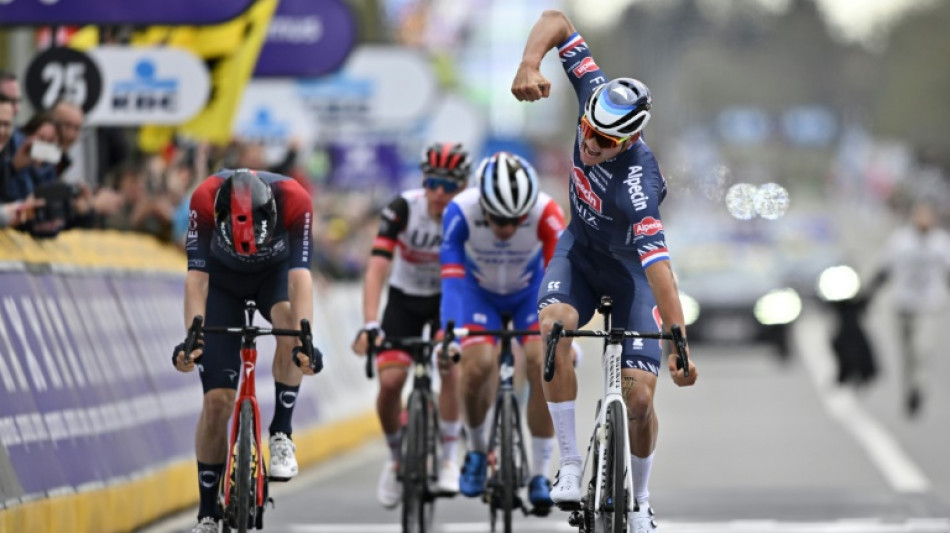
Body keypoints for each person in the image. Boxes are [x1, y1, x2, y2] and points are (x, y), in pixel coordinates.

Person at [511, 10, 698, 531]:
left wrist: (679, 341)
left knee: (639, 400)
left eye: (603, 143)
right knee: (552, 327)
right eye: (586, 132)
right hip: (580, 257)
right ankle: (570, 463)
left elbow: (659, 266)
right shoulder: (595, 92)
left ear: (629, 141)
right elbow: (556, 20)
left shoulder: (638, 181)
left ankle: (640, 501)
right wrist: (530, 62)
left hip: (632, 277)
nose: (589, 145)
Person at [173, 168, 322, 533]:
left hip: (274, 276)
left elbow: (300, 277)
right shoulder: (205, 198)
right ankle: (208, 513)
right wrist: (194, 338)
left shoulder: (295, 199)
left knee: (289, 326)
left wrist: (305, 340)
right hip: (222, 283)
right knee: (217, 403)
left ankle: (282, 433)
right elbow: (197, 279)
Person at [439, 151, 565, 508]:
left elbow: (559, 276)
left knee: (544, 363)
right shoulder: (460, 210)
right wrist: (450, 331)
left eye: (516, 219)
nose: (507, 228)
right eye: (498, 218)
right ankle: (478, 451)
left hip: (531, 293)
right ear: (483, 205)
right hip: (478, 294)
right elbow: (450, 277)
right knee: (476, 364)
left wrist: (561, 331)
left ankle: (540, 472)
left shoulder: (547, 211)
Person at [351, 142, 469, 508]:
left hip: (447, 300)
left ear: (462, 186)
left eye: (448, 185)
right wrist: (370, 322)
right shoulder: (403, 207)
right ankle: (397, 455)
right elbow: (376, 268)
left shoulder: (468, 213)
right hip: (404, 299)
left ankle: (449, 456)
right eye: (432, 182)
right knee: (389, 383)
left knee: (448, 366)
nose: (438, 193)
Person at [867, 200, 950, 417]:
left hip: (929, 306)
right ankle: (909, 390)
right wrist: (868, 294)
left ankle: (919, 387)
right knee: (906, 354)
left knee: (922, 349)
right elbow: (885, 270)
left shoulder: (941, 243)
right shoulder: (900, 240)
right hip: (903, 305)